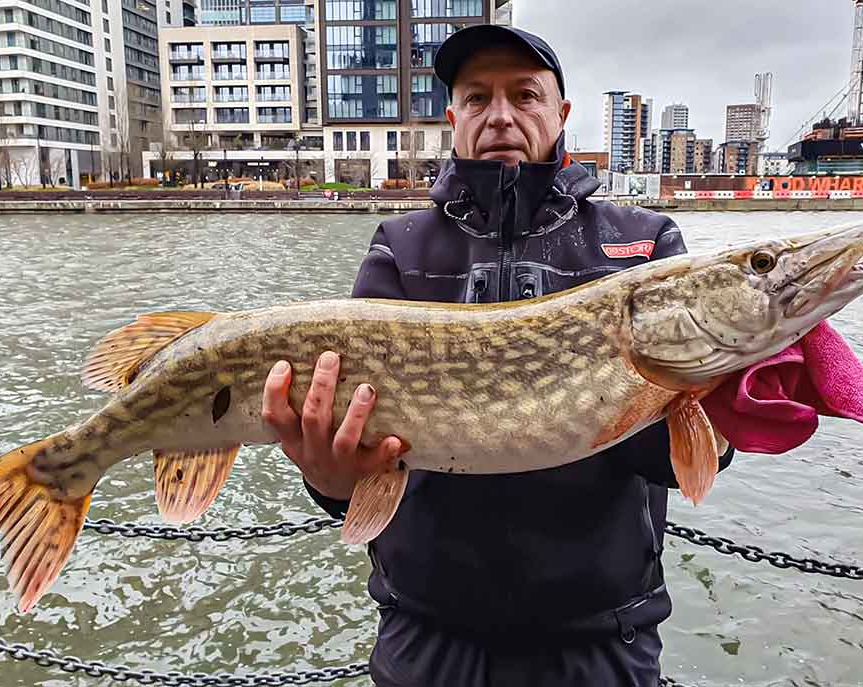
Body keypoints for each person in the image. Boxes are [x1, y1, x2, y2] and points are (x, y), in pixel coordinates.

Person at [261, 25, 735, 687]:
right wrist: (329, 480)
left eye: (524, 94)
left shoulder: (645, 243)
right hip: (429, 639)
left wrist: (728, 400)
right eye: (478, 97)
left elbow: (684, 456)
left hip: (599, 642)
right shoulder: (400, 248)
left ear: (561, 113)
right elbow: (360, 455)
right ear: (453, 117)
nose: (501, 115)